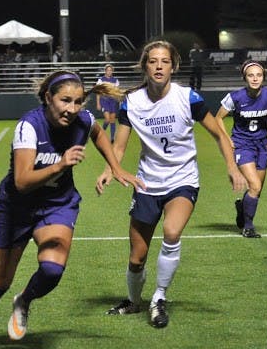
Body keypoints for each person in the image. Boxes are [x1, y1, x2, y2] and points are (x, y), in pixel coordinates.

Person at [0, 70, 144, 349]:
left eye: (78, 102)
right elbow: (22, 182)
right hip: (16, 208)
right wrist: (60, 164)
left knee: (52, 270)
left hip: (57, 203)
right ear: (48, 98)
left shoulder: (83, 119)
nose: (72, 109)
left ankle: (24, 300)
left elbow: (97, 133)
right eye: (65, 101)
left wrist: (115, 167)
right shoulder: (29, 126)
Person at [96, 40, 246, 328]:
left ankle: (159, 298)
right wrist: (109, 169)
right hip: (147, 183)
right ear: (145, 66)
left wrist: (231, 166)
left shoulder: (188, 97)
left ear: (173, 66)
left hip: (182, 180)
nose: (159, 66)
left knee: (171, 231)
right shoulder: (132, 102)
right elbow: (119, 145)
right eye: (153, 61)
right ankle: (133, 301)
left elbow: (219, 134)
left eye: (165, 61)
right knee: (137, 257)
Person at [215, 60, 267, 238]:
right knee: (254, 185)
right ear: (245, 78)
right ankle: (248, 227)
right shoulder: (235, 97)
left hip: (262, 145)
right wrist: (227, 139)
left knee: (257, 189)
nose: (255, 79)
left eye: (259, 75)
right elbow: (218, 118)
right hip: (242, 145)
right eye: (251, 75)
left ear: (263, 77)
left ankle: (242, 207)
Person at [95, 63, 119, 142]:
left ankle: (112, 138)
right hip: (104, 101)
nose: (109, 72)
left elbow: (117, 92)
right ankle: (102, 132)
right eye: (108, 70)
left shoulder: (115, 80)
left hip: (113, 101)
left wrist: (118, 99)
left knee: (113, 120)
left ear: (112, 71)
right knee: (107, 119)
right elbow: (98, 92)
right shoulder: (101, 80)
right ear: (105, 71)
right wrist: (98, 103)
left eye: (110, 70)